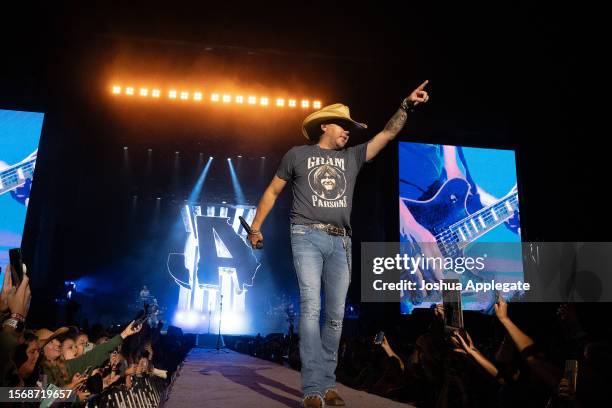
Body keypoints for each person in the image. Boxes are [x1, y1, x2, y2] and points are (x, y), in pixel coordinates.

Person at [248, 81, 430, 407]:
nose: (348, 131)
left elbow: (386, 135)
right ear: (324, 126)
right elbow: (273, 191)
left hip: (342, 242)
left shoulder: (352, 157)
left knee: (334, 316)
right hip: (306, 234)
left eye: (350, 127)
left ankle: (328, 384)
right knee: (311, 307)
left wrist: (405, 106)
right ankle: (312, 390)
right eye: (343, 126)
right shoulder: (298, 155)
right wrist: (256, 227)